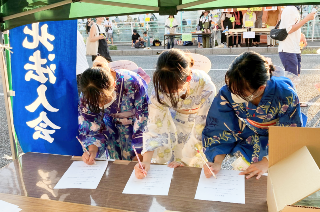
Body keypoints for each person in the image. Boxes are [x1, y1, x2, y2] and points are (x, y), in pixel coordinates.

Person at [202, 52, 303, 180]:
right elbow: (220, 127)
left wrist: (267, 161)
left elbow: (290, 134)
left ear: (261, 88)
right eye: (232, 89)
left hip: (277, 135)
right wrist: (217, 163)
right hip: (250, 132)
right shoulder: (230, 90)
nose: (233, 94)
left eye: (241, 94)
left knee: (277, 176)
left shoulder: (285, 94)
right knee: (250, 176)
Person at [134, 49, 217, 179]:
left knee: (193, 172)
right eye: (164, 87)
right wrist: (146, 160)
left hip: (197, 127)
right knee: (173, 169)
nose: (168, 91)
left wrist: (185, 159)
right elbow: (154, 124)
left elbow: (202, 125)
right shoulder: (161, 88)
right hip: (175, 124)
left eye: (173, 88)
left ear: (188, 78)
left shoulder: (205, 85)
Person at [78, 56, 149, 164]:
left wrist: (139, 154)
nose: (101, 105)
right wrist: (92, 151)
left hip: (135, 127)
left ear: (114, 84)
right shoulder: (87, 94)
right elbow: (90, 124)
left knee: (136, 167)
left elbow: (143, 119)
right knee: (115, 165)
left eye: (104, 100)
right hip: (109, 129)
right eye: (96, 104)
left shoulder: (132, 82)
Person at [278, 6, 316, 76]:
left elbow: (291, 27)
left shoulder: (294, 9)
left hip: (294, 49)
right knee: (292, 79)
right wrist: (306, 19)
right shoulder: (290, 9)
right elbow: (289, 29)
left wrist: (301, 35)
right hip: (288, 49)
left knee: (296, 78)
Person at [76, 30, 89, 95]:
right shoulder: (77, 32)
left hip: (77, 71)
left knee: (78, 100)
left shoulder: (67, 34)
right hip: (84, 68)